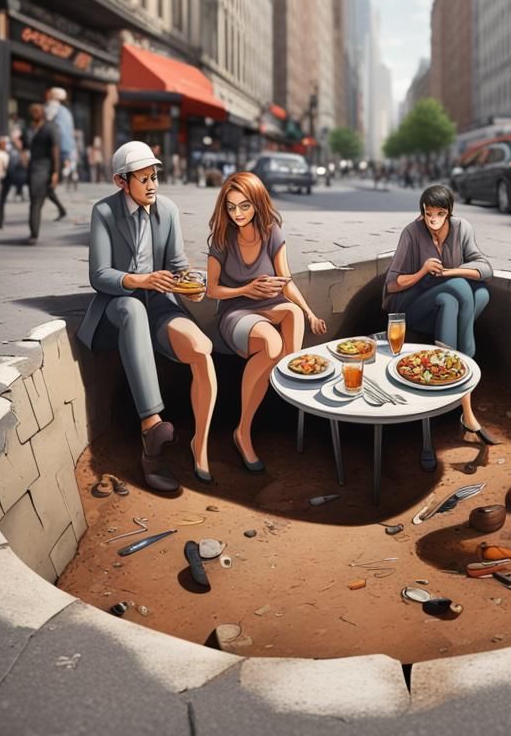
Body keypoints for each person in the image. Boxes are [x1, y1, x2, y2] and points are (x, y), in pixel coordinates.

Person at [77, 141, 218, 492]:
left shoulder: (167, 210)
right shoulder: (104, 212)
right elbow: (99, 276)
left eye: (154, 177)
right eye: (143, 179)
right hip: (118, 305)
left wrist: (192, 285)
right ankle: (152, 431)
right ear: (121, 182)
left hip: (158, 304)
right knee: (133, 308)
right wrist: (140, 280)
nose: (152, 185)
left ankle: (200, 445)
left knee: (201, 348)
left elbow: (178, 265)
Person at [206, 172, 327, 473]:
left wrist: (310, 313)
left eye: (244, 206)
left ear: (258, 203)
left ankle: (287, 392)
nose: (237, 214)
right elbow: (212, 290)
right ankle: (243, 431)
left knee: (293, 314)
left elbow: (286, 281)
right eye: (231, 207)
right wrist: (246, 289)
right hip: (236, 310)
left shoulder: (272, 232)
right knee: (271, 344)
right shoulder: (222, 237)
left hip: (269, 304)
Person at [384, 183, 496, 445]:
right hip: (411, 304)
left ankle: (453, 383)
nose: (433, 219)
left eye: (440, 214)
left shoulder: (462, 228)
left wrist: (448, 272)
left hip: (444, 298)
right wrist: (423, 270)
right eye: (428, 213)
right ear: (422, 212)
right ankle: (465, 373)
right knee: (459, 289)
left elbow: (485, 268)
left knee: (477, 294)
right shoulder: (411, 232)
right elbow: (391, 284)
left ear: (449, 212)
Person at [24, 103, 59, 245]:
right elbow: (25, 146)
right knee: (35, 200)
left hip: (45, 168)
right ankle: (33, 232)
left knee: (36, 201)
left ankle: (34, 234)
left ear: (42, 113)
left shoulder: (49, 128)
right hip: (32, 168)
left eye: (37, 111)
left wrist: (55, 172)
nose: (35, 114)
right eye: (33, 111)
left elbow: (55, 149)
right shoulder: (30, 128)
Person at [43, 86, 73, 220]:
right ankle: (60, 209)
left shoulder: (57, 111)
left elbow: (64, 135)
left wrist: (65, 155)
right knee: (47, 184)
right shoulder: (64, 112)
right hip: (53, 152)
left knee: (47, 183)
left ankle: (59, 209)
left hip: (53, 153)